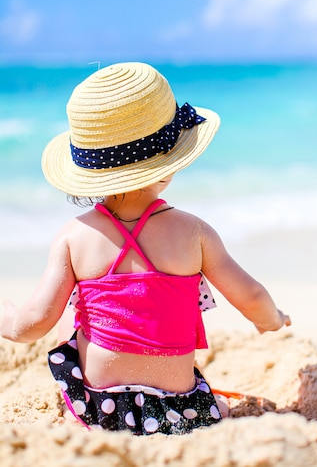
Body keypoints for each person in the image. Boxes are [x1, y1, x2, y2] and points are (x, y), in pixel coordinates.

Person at [0, 62, 291, 436]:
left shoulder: (74, 236)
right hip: (178, 409)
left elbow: (33, 322)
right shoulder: (195, 233)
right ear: (168, 165)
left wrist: (7, 319)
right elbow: (250, 295)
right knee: (213, 405)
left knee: (66, 328)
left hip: (100, 410)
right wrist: (271, 319)